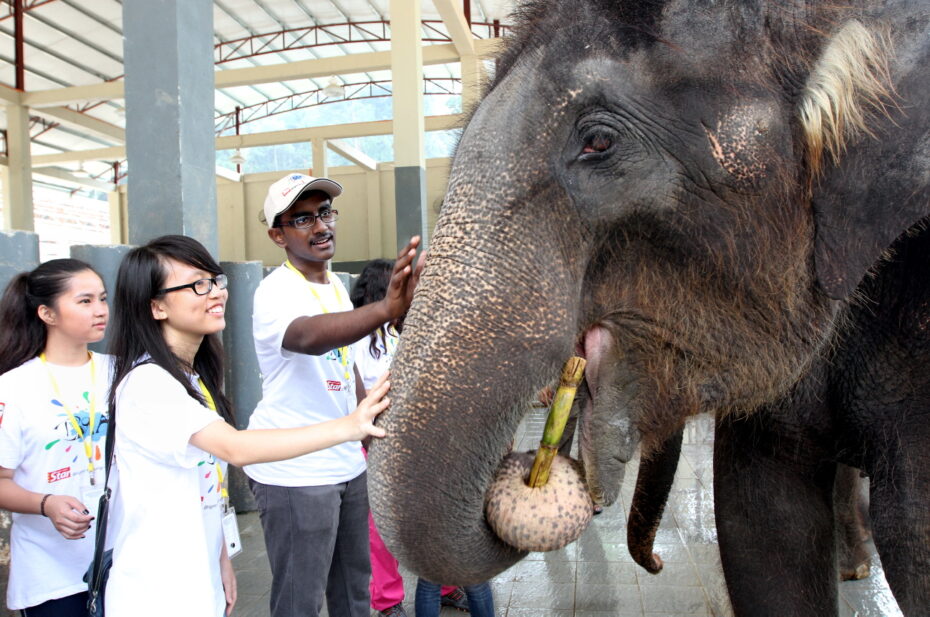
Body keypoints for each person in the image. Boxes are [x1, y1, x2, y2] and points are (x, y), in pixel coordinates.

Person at [103, 235, 392, 617]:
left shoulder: (192, 379)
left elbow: (203, 488)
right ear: (156, 306)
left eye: (214, 280)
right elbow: (235, 448)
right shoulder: (148, 383)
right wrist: (351, 426)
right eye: (196, 285)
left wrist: (221, 559)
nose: (215, 293)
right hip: (156, 589)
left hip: (195, 579)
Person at [244, 173, 423, 617]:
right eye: (302, 219)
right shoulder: (275, 290)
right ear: (277, 235)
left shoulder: (337, 287)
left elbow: (347, 372)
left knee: (353, 593)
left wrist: (371, 438)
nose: (320, 226)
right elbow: (308, 337)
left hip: (345, 462)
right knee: (299, 600)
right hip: (297, 471)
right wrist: (385, 308)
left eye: (325, 213)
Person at [350, 260, 468, 617]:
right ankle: (386, 600)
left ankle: (444, 586)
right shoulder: (357, 340)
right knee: (381, 528)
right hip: (377, 443)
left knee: (429, 518)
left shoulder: (400, 333)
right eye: (399, 285)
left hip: (415, 442)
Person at [0, 259, 112, 617]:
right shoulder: (14, 387)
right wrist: (46, 502)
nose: (100, 310)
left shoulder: (124, 371)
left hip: (122, 560)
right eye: (85, 301)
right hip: (51, 575)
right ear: (47, 313)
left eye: (103, 299)